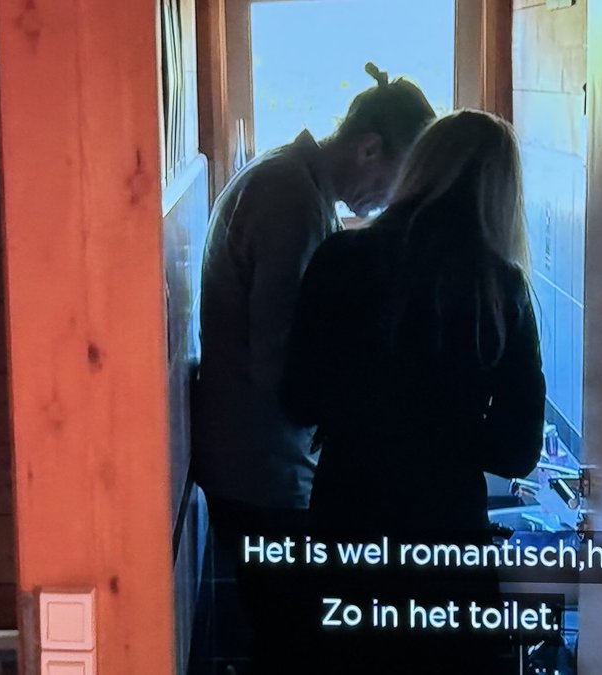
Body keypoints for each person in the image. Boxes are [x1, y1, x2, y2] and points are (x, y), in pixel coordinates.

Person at [282, 110, 547, 674]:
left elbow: (298, 399)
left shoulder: (340, 258)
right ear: (503, 194)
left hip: (346, 520)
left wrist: (367, 415)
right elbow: (517, 451)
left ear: (418, 167)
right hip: (446, 536)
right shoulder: (500, 289)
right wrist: (448, 432)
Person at [193, 64, 434, 663]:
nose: (387, 204)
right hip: (263, 470)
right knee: (295, 645)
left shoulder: (291, 181)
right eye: (395, 181)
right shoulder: (291, 198)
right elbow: (281, 354)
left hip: (254, 464)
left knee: (289, 637)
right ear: (369, 148)